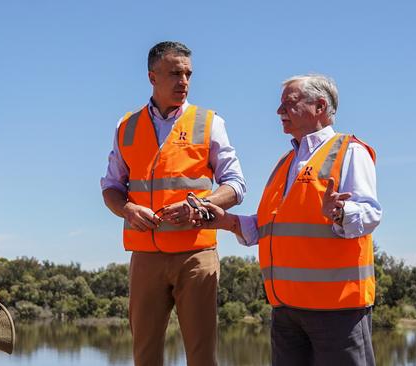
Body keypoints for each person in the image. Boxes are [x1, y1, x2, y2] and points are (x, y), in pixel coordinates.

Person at [197, 74, 382, 365]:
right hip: (286, 311)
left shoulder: (350, 151)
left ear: (320, 106)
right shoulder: (285, 163)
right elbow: (268, 226)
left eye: (289, 104)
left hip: (336, 311)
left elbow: (370, 214)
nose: (279, 112)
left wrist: (340, 212)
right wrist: (228, 222)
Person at [100, 41, 246, 366]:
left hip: (196, 255)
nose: (183, 81)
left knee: (201, 356)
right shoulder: (126, 126)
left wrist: (200, 205)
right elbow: (111, 187)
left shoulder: (209, 123)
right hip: (146, 258)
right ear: (152, 77)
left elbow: (236, 185)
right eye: (174, 73)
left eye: (188, 74)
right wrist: (126, 209)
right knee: (145, 356)